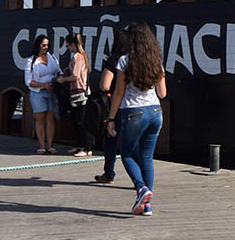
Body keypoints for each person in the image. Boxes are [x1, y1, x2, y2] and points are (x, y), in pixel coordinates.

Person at [107, 23, 166, 216]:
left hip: (134, 112)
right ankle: (146, 206)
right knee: (146, 157)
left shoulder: (125, 60)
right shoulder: (156, 60)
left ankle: (141, 188)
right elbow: (163, 93)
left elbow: (118, 92)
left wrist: (111, 118)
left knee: (127, 155)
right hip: (156, 111)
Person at [93, 26, 132, 184]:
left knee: (110, 139)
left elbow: (105, 85)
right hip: (136, 105)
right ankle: (140, 180)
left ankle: (109, 173)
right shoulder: (135, 58)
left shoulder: (115, 60)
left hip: (117, 106)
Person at [24, 34, 61, 155]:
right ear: (38, 45)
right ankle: (41, 145)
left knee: (51, 118)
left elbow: (58, 71)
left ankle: (50, 145)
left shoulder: (52, 57)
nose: (46, 47)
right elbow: (28, 81)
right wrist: (43, 85)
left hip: (51, 91)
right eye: (43, 45)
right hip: (38, 92)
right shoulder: (31, 61)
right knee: (40, 119)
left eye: (47, 45)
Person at [58, 33, 93, 157]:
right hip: (77, 91)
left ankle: (87, 147)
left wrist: (63, 79)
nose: (68, 48)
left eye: (68, 46)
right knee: (76, 120)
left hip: (79, 91)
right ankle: (79, 145)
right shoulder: (80, 56)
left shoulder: (78, 57)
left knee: (81, 121)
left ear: (73, 45)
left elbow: (76, 76)